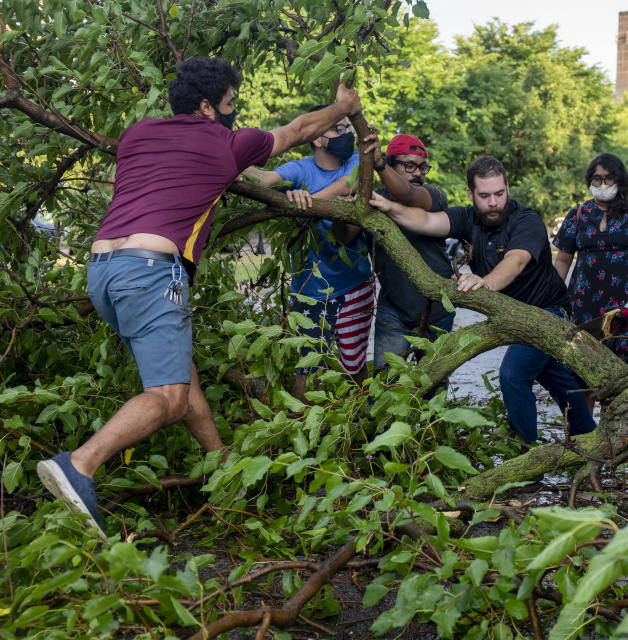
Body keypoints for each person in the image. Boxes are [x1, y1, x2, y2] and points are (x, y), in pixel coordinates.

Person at [35, 57, 363, 539]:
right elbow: (294, 131)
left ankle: (224, 472)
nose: (235, 111)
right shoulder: (227, 141)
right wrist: (342, 106)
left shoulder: (137, 134)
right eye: (231, 103)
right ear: (209, 106)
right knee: (167, 399)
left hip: (103, 271)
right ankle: (79, 465)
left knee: (181, 385)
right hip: (152, 273)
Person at [369, 155, 596, 444]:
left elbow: (515, 261)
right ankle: (590, 438)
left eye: (499, 194)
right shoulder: (467, 217)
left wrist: (484, 282)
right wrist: (388, 206)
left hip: (547, 312)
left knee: (514, 376)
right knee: (555, 377)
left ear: (507, 189)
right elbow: (426, 220)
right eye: (485, 195)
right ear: (471, 194)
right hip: (510, 314)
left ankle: (524, 450)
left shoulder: (526, 220)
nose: (493, 203)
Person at [243, 105, 374, 397]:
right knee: (309, 367)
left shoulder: (356, 161)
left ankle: (361, 421)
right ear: (316, 137)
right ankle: (302, 427)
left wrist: (304, 203)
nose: (346, 134)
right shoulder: (299, 169)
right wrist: (228, 156)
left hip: (354, 285)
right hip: (310, 290)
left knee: (354, 364)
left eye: (348, 129)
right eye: (338, 128)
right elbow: (263, 180)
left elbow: (345, 185)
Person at [339, 132, 454, 369]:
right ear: (391, 166)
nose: (419, 173)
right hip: (394, 308)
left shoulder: (434, 195)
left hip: (438, 308)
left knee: (433, 383)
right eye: (409, 166)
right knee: (385, 382)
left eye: (423, 167)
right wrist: (348, 204)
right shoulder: (372, 199)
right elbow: (343, 236)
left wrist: (378, 162)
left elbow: (408, 195)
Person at [553, 153, 628, 369]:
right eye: (597, 178)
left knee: (625, 373)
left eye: (608, 178)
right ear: (589, 181)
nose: (602, 184)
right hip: (583, 308)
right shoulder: (578, 213)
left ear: (619, 180)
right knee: (582, 371)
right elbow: (563, 261)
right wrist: (554, 302)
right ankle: (581, 405)